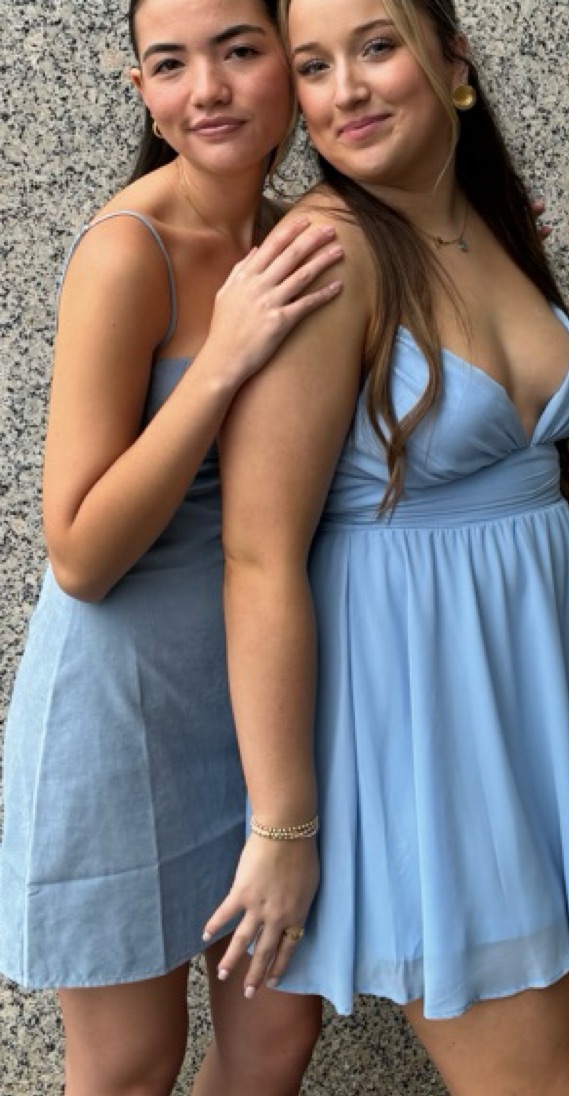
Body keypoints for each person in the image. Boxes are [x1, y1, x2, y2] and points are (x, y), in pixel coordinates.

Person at [205, 1, 569, 1093]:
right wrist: (283, 825)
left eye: (376, 47)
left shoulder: (491, 223)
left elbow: (549, 471)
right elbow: (259, 556)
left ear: (452, 62)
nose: (347, 89)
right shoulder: (328, 254)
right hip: (427, 714)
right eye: (313, 66)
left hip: (546, 694)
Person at [0, 1, 342, 1093]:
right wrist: (224, 354)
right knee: (131, 1065)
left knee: (276, 1040)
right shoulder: (126, 252)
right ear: (141, 91)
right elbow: (79, 554)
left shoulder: (302, 237)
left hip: (263, 700)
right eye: (171, 64)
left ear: (288, 64)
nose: (208, 89)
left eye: (239, 51)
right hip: (124, 708)